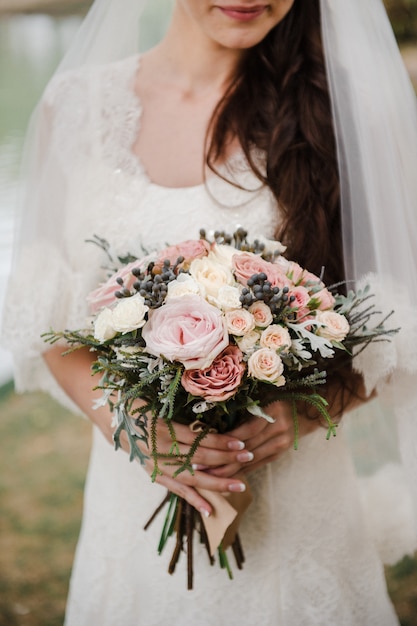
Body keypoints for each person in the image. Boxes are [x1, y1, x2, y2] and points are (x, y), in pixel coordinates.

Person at [2, 0, 417, 624]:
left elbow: (397, 315)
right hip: (134, 496)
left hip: (297, 496)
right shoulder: (77, 107)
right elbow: (48, 316)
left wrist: (311, 406)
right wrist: (138, 426)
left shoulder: (346, 110)